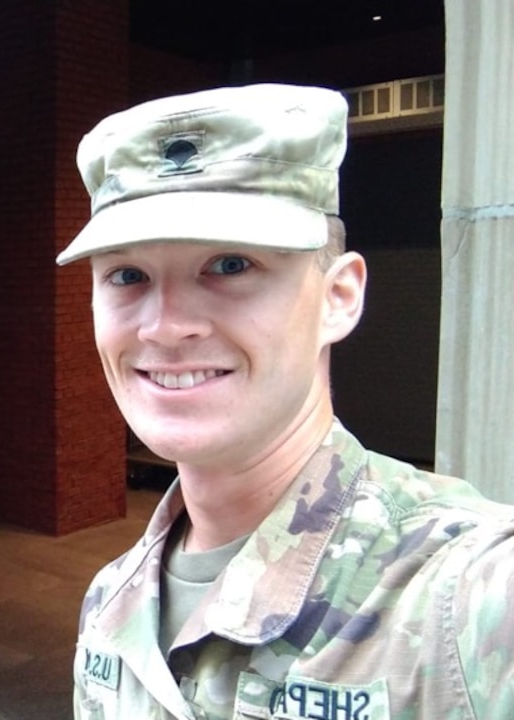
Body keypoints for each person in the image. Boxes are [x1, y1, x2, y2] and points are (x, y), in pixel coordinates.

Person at [58, 84, 514, 719]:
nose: (164, 326)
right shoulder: (112, 601)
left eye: (230, 264)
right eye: (127, 275)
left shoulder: (462, 595)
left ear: (339, 297)